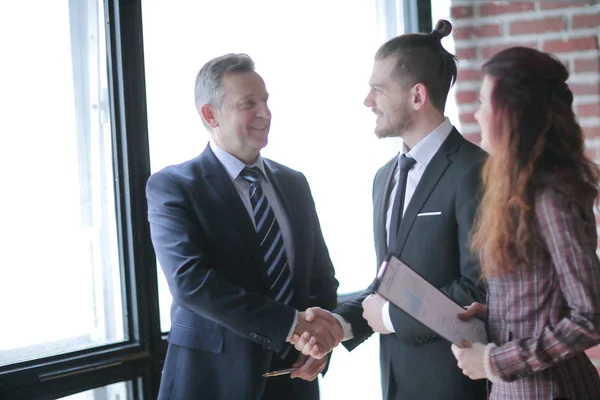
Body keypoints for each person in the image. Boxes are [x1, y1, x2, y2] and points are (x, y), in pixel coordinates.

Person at [292, 20, 487, 400]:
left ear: (417, 96)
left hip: (456, 383)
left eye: (378, 90)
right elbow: (391, 284)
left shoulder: (476, 171)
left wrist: (390, 318)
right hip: (395, 382)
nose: (367, 102)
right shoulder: (383, 179)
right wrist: (340, 324)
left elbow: (477, 288)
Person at [146, 53, 343, 400]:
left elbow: (320, 279)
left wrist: (319, 344)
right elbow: (192, 283)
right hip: (212, 383)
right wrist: (291, 324)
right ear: (210, 115)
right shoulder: (174, 186)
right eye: (248, 104)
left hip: (293, 380)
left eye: (265, 101)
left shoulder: (294, 182)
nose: (265, 113)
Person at [451, 46, 600, 399]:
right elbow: (544, 297)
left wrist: (493, 362)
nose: (476, 115)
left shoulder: (550, 196)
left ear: (511, 114)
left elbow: (590, 317)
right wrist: (492, 314)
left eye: (484, 103)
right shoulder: (519, 189)